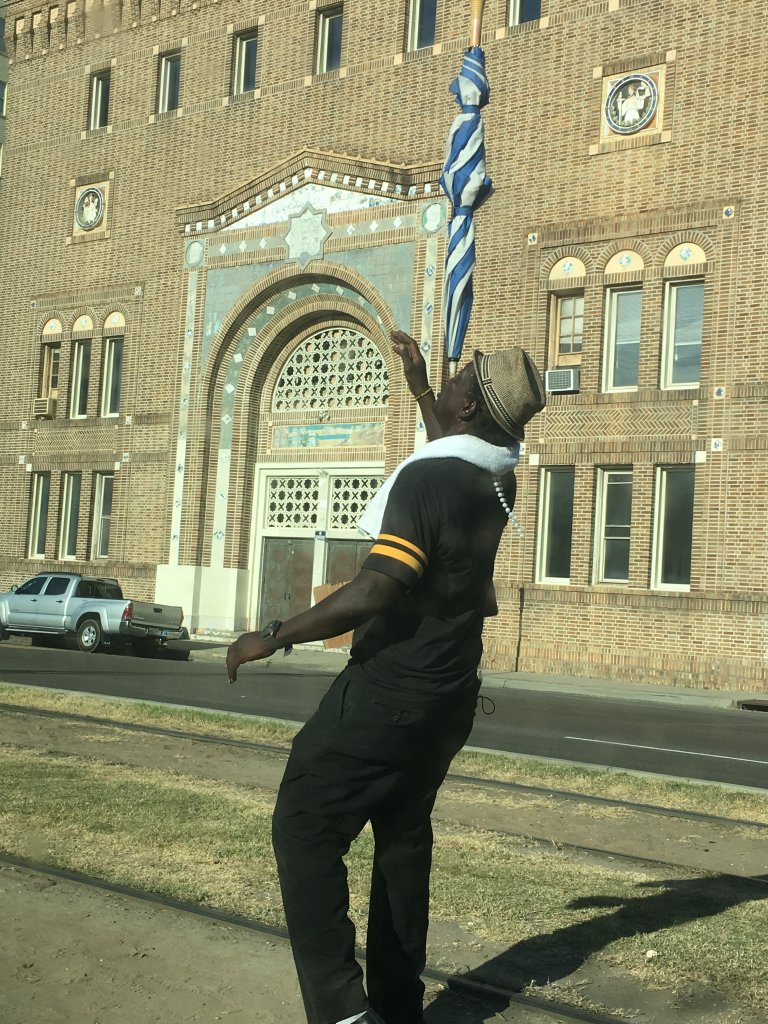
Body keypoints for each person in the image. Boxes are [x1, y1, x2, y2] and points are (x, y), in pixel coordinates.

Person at [226, 329, 546, 1024]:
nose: (455, 382)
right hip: (449, 700)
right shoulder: (495, 477)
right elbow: (447, 444)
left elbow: (377, 589)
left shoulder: (430, 480)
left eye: (462, 379)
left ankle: (344, 1010)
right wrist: (423, 385)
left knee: (303, 822)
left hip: (388, 693)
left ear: (470, 409)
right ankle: (399, 1009)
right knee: (402, 839)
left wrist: (272, 635)